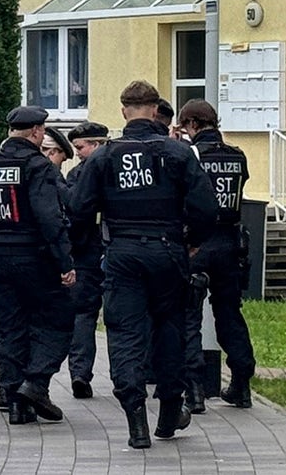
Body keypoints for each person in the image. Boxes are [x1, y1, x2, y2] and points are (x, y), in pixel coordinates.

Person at [69, 81, 217, 449]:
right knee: (170, 330)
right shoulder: (178, 153)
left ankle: (136, 422)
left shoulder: (104, 156)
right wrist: (192, 241)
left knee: (125, 334)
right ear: (154, 111)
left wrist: (85, 248)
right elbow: (206, 208)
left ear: (124, 111)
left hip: (122, 253)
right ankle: (169, 412)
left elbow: (79, 209)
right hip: (168, 252)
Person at [0, 105, 76, 425]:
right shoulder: (37, 166)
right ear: (38, 132)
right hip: (35, 258)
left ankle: (15, 402)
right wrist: (64, 262)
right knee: (58, 319)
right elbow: (49, 218)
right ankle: (36, 384)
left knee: (9, 327)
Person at [178, 99, 257, 411]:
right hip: (230, 245)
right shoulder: (237, 155)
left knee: (189, 318)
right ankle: (241, 384)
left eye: (185, 127)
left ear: (193, 124)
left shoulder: (191, 154)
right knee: (230, 315)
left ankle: (194, 390)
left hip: (197, 244)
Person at [63, 121, 110, 399]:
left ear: (96, 144)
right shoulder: (119, 169)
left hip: (86, 253)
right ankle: (128, 375)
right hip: (112, 251)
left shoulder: (78, 176)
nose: (77, 153)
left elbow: (72, 212)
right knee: (120, 319)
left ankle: (80, 373)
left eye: (80, 147)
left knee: (84, 315)